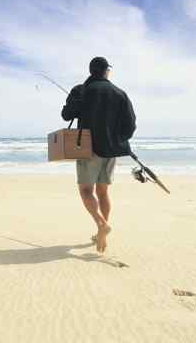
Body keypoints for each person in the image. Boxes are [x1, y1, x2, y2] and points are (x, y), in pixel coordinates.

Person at [61, 57, 136, 253]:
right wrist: (116, 139)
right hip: (111, 150)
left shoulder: (81, 90)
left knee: (86, 191)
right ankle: (100, 229)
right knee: (103, 192)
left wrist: (74, 103)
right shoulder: (120, 93)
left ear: (91, 70)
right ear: (107, 71)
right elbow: (130, 125)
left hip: (88, 148)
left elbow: (67, 115)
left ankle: (101, 225)